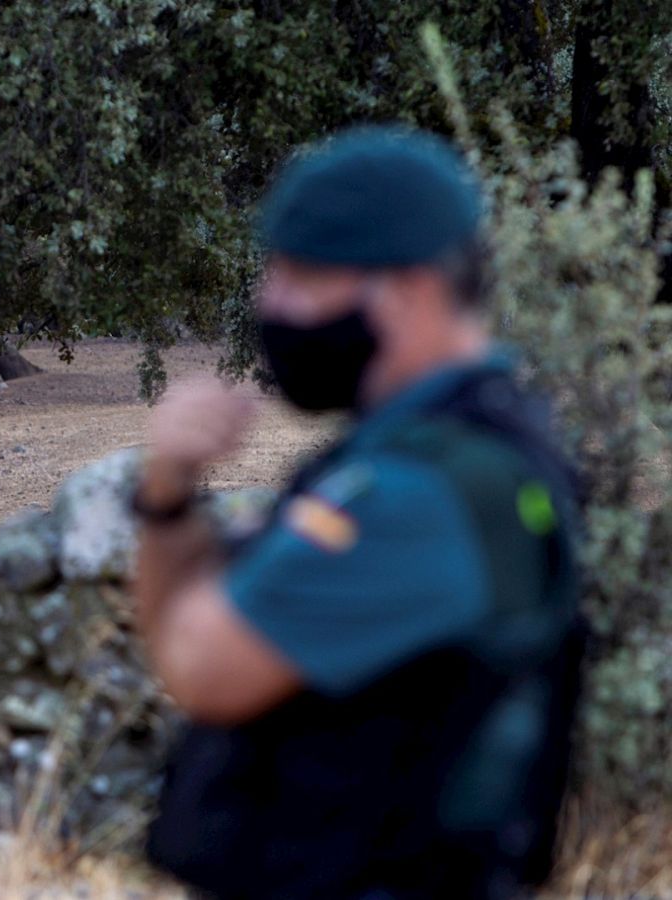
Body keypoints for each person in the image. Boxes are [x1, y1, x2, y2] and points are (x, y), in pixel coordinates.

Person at [130, 126, 583, 899]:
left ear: (409, 289)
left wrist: (164, 497)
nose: (270, 303)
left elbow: (201, 666)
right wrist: (168, 491)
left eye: (303, 276)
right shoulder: (455, 450)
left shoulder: (416, 495)